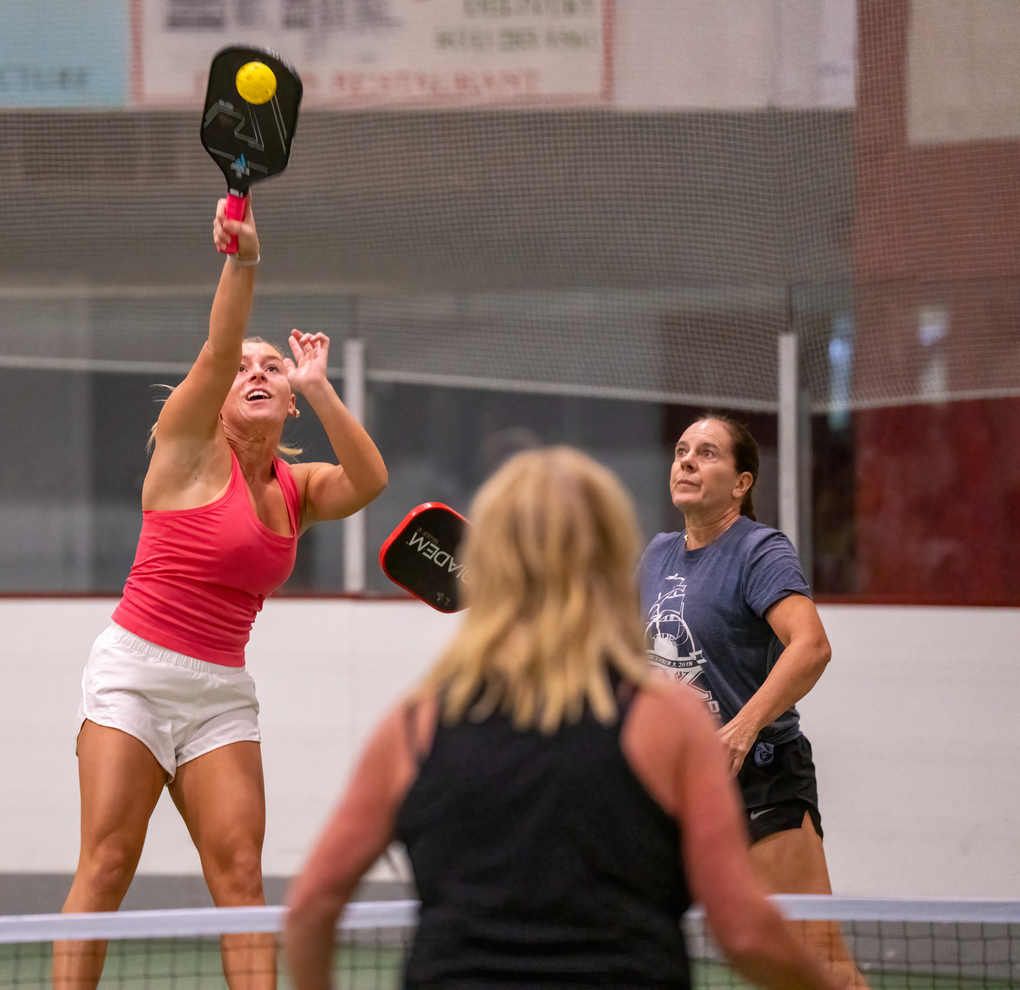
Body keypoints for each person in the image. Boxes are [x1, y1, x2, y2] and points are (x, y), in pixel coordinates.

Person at [284, 447, 838, 990]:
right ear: (608, 555)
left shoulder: (413, 725)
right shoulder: (671, 722)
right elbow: (744, 933)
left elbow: (311, 906)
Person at [54, 196, 388, 990]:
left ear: (292, 394)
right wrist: (244, 261)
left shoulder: (297, 488)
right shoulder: (189, 448)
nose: (257, 372)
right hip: (134, 675)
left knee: (239, 882)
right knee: (106, 864)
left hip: (220, 696)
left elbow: (370, 480)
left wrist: (323, 384)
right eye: (247, 368)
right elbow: (218, 346)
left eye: (274, 366)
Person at [641, 413, 863, 986]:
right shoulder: (657, 556)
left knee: (819, 962)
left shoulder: (759, 551)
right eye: (682, 450)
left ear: (741, 483)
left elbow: (811, 646)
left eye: (707, 453)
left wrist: (741, 728)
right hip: (676, 787)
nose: (687, 460)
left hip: (761, 781)